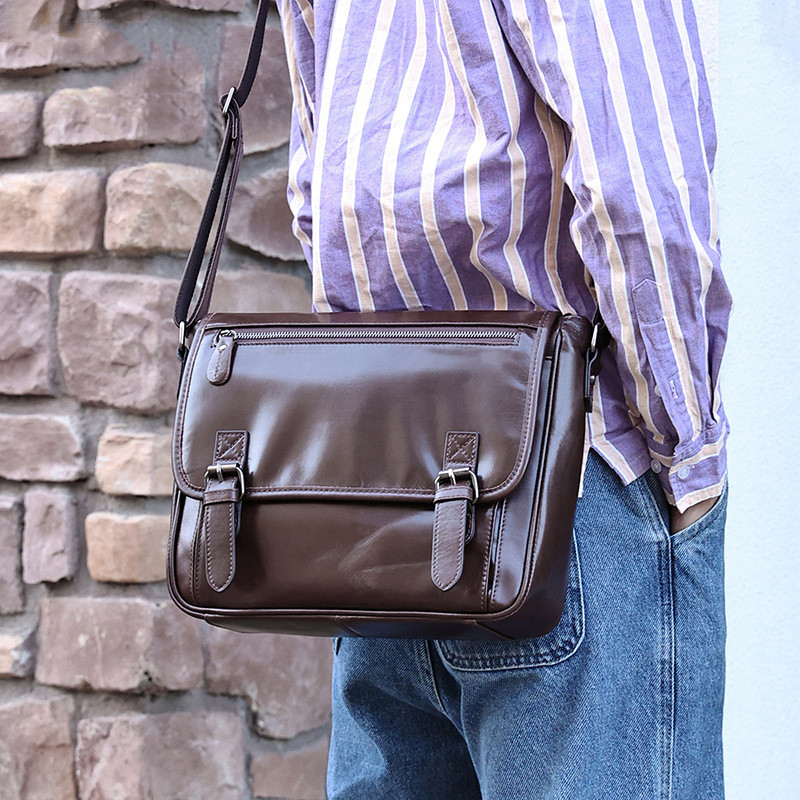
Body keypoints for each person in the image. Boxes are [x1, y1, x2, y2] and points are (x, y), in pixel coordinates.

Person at [274, 0, 732, 797]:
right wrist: (687, 451)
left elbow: (318, 200)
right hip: (571, 484)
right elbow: (639, 201)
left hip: (383, 497)